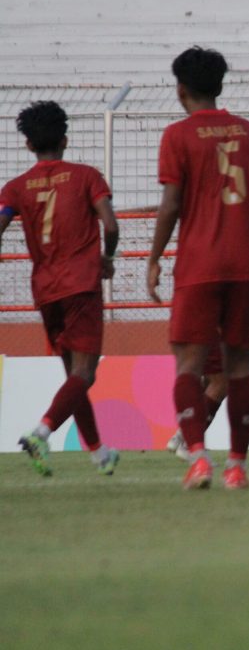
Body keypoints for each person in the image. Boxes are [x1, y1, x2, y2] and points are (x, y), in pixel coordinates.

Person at [147, 46, 249, 489]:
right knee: (239, 365)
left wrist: (153, 257)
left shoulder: (178, 136)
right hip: (246, 265)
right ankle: (237, 467)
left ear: (181, 90)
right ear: (220, 85)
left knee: (188, 365)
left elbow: (171, 203)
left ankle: (197, 459)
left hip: (199, 265)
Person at [0, 101, 121, 476]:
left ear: (28, 145)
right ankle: (41, 432)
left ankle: (99, 453)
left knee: (74, 376)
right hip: (81, 286)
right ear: (65, 140)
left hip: (46, 290)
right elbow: (110, 225)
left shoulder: (15, 189)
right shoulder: (87, 177)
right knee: (85, 374)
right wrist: (107, 258)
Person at [165, 343, 227, 461]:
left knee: (211, 381)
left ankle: (182, 436)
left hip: (197, 339)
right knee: (220, 384)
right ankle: (189, 445)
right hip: (212, 337)